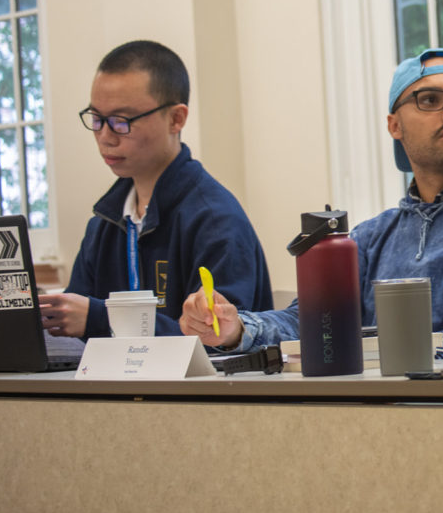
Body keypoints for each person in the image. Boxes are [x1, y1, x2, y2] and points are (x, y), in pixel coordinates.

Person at [181, 47, 443, 358]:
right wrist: (235, 328)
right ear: (394, 124)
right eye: (430, 100)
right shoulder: (373, 238)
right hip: (384, 419)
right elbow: (308, 323)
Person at [40, 40, 273, 339]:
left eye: (121, 121)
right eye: (97, 119)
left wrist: (101, 319)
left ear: (176, 118)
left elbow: (222, 342)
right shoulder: (104, 223)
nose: (105, 137)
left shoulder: (215, 219)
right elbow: (70, 330)